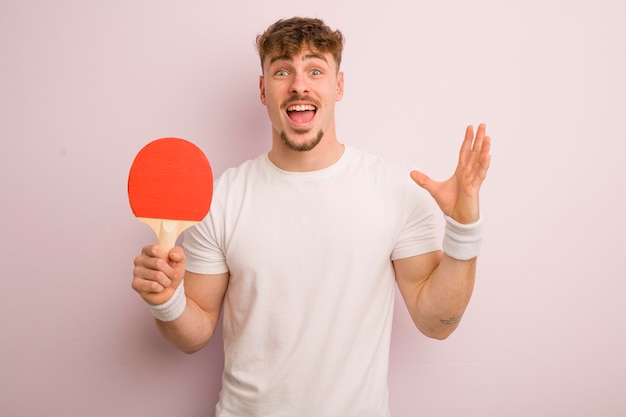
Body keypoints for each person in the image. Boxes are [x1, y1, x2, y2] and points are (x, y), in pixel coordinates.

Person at [132, 16, 491, 417]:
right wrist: (166, 300)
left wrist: (462, 229)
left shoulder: (396, 191)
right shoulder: (223, 198)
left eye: (315, 70)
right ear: (263, 89)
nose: (299, 85)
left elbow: (436, 322)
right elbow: (193, 335)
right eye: (282, 70)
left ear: (338, 86)